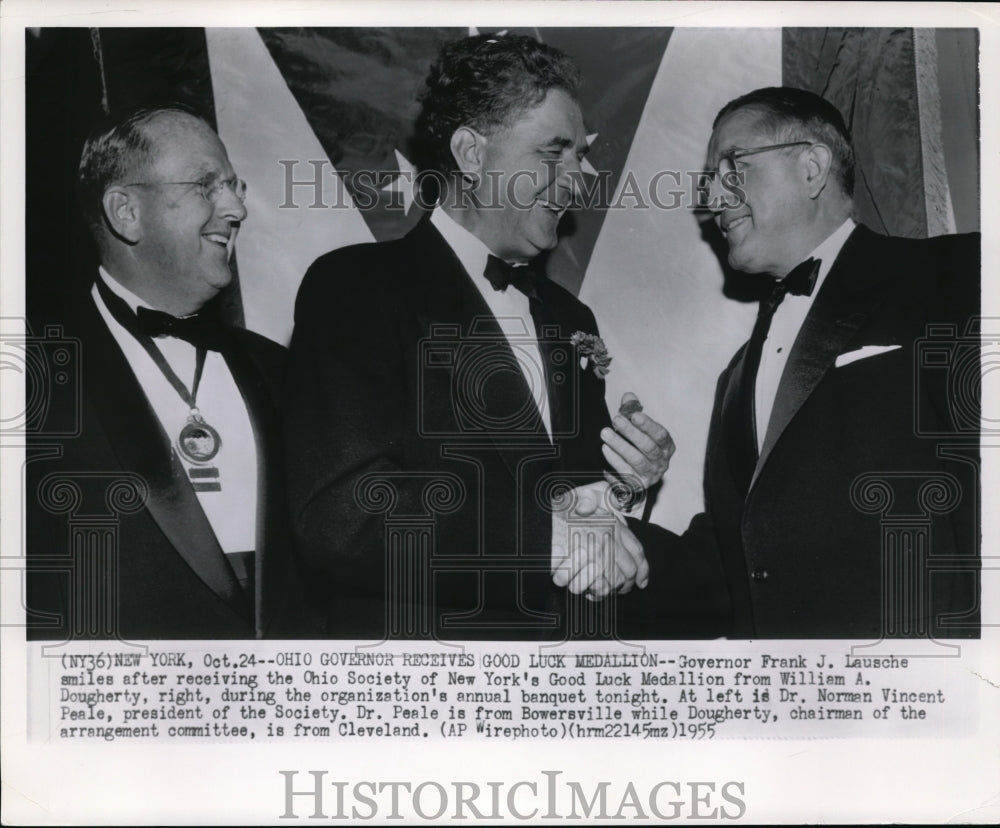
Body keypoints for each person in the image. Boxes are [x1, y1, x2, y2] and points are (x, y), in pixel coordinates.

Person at [283, 34, 673, 640]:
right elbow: (344, 515)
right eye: (555, 152)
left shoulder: (571, 318)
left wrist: (625, 484)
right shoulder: (355, 288)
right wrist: (545, 537)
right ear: (471, 151)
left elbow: (571, 503)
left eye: (580, 154)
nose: (578, 178)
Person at [648, 86, 980, 639]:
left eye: (732, 166)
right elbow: (737, 562)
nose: (711, 198)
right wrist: (612, 546)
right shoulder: (736, 377)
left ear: (811, 168)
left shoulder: (957, 274)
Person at [26, 105, 311, 640]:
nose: (237, 209)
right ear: (125, 212)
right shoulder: (30, 375)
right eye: (206, 185)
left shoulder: (279, 369)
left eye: (235, 185)